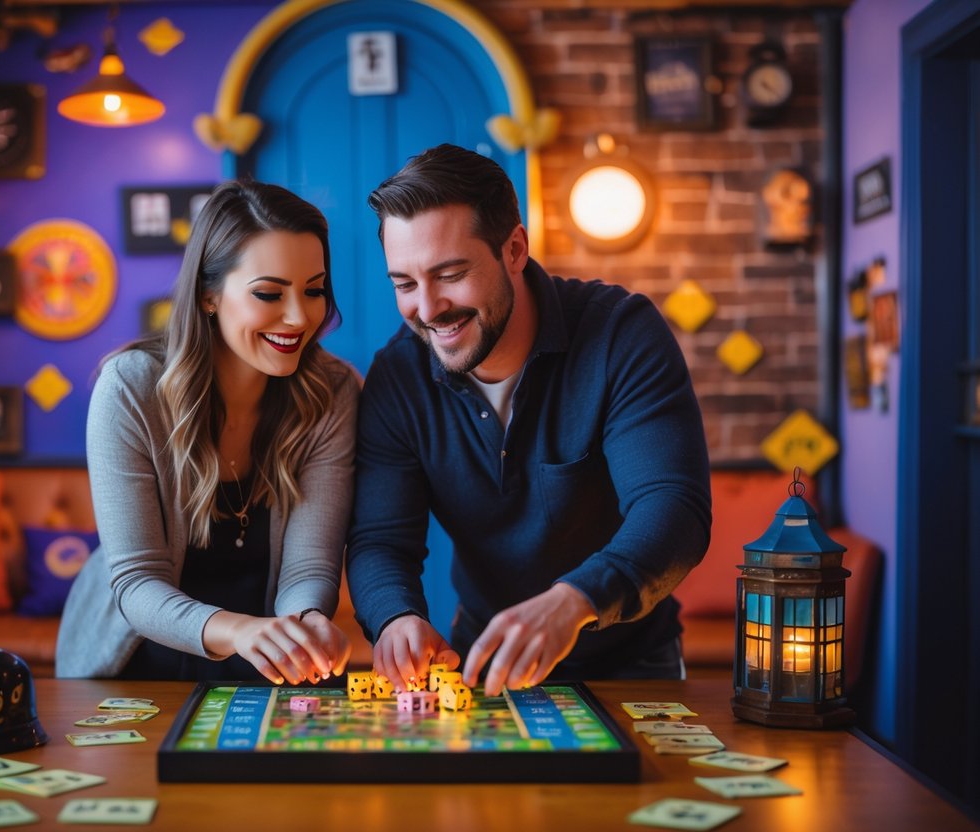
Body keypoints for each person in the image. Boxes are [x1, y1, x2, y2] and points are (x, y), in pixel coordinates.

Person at [346, 144, 711, 697]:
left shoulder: (621, 334)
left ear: (514, 249)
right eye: (405, 284)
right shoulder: (398, 377)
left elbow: (674, 508)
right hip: (484, 662)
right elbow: (381, 541)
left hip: (630, 663)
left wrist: (574, 601)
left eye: (450, 274)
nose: (428, 307)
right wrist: (395, 616)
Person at [57, 180, 358, 685]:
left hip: (267, 655)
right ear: (208, 294)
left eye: (313, 290)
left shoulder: (333, 390)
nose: (299, 317)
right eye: (269, 293)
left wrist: (304, 623)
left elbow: (309, 566)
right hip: (136, 660)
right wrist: (241, 631)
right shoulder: (129, 388)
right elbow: (137, 582)